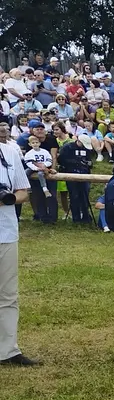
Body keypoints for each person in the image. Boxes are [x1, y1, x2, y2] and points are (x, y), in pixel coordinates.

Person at [0, 134, 35, 365]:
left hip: (6, 231)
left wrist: (9, 198)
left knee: (8, 294)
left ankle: (8, 350)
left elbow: (23, 191)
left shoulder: (10, 151)